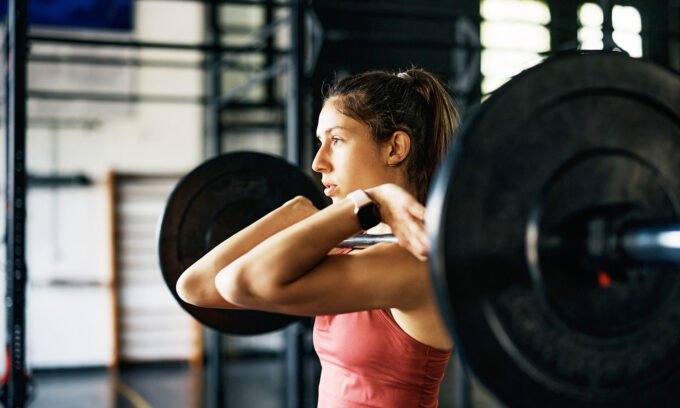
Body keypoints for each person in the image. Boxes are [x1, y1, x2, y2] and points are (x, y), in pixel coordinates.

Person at [176, 67, 460, 407]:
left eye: (336, 140)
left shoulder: (414, 263)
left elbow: (240, 282)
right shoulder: (353, 248)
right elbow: (196, 287)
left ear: (395, 147)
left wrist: (370, 202)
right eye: (320, 142)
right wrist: (294, 211)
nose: (318, 162)